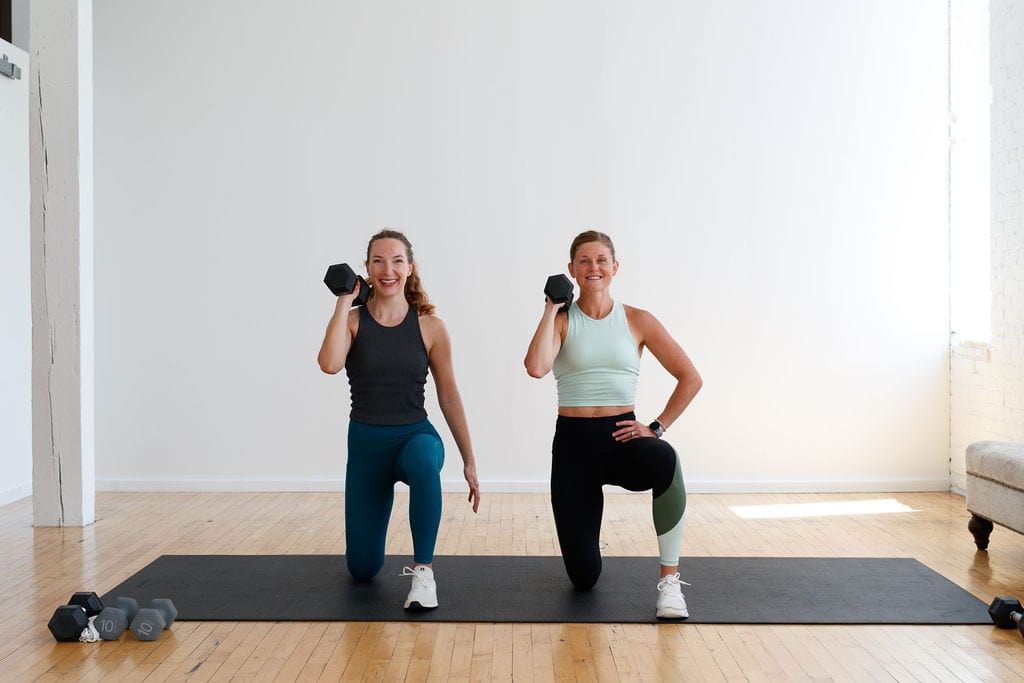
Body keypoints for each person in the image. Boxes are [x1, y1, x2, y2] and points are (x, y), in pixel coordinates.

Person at [524, 230, 702, 619]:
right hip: (573, 446)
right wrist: (550, 309)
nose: (593, 268)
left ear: (615, 267)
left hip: (622, 437)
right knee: (584, 578)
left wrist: (655, 427)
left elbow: (691, 378)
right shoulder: (562, 321)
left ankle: (670, 582)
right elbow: (536, 367)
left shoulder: (637, 320)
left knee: (666, 461)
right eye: (584, 261)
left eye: (601, 260)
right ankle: (588, 542)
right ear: (571, 270)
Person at [318, 228, 481, 611]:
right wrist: (345, 300)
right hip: (366, 448)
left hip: (415, 437)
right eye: (378, 261)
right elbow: (329, 364)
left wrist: (469, 459)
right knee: (362, 568)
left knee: (425, 459)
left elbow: (449, 394)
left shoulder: (430, 327)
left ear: (410, 267)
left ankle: (423, 573)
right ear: (367, 270)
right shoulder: (354, 321)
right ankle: (371, 557)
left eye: (396, 260)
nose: (387, 269)